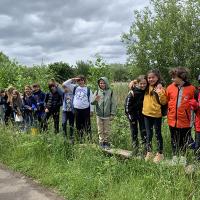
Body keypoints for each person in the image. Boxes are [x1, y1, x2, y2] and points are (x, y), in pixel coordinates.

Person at [167, 67, 195, 165]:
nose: (172, 79)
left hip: (186, 121)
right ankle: (175, 157)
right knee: (174, 139)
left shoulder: (192, 89)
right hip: (172, 120)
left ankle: (183, 158)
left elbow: (196, 104)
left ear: (181, 77)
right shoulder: (170, 87)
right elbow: (166, 101)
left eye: (174, 77)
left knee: (184, 140)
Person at [142, 69, 167, 163]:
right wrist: (133, 81)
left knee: (158, 134)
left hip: (156, 115)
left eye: (153, 77)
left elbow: (164, 102)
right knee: (148, 134)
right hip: (146, 114)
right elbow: (140, 81)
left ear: (157, 77)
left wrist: (159, 92)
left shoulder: (161, 88)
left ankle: (160, 153)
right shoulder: (146, 86)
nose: (151, 79)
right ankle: (149, 152)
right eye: (149, 77)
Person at [63, 75, 94, 142]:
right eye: (78, 80)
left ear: (84, 81)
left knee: (87, 125)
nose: (80, 81)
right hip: (77, 110)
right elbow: (64, 84)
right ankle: (80, 140)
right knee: (78, 126)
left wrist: (91, 111)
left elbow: (91, 100)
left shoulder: (88, 89)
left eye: (81, 80)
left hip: (86, 109)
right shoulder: (74, 87)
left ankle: (89, 140)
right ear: (77, 81)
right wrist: (73, 79)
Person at [125, 75, 147, 155]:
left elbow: (159, 82)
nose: (143, 85)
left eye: (144, 83)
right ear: (137, 83)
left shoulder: (146, 91)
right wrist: (131, 118)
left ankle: (145, 151)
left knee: (144, 132)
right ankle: (135, 150)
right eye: (141, 83)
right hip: (133, 117)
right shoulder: (132, 92)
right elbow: (127, 107)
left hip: (143, 116)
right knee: (134, 133)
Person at [92, 77, 117, 148]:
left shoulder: (110, 91)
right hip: (99, 115)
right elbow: (92, 103)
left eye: (103, 83)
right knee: (100, 130)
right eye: (100, 83)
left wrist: (112, 113)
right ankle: (101, 142)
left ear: (106, 83)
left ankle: (106, 142)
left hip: (107, 115)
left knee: (106, 130)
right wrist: (95, 100)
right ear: (99, 84)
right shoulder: (97, 91)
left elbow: (113, 103)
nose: (102, 84)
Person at [189, 75, 200, 161]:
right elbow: (193, 108)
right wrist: (194, 105)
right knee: (198, 144)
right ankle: (196, 161)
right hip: (198, 123)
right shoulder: (196, 92)